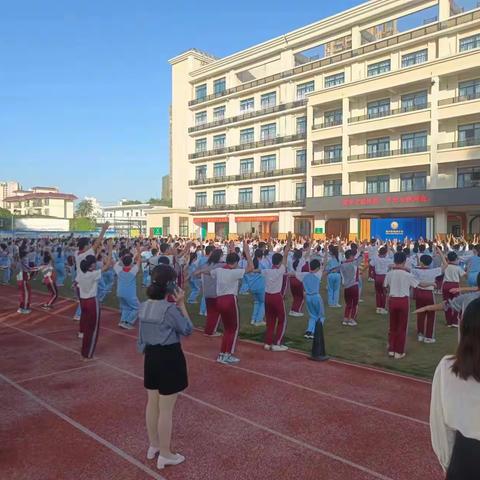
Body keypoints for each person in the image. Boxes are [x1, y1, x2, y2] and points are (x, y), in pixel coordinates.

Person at [137, 264, 193, 470]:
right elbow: (187, 329)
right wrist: (182, 304)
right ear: (170, 285)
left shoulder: (143, 305)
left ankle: (154, 446)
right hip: (169, 357)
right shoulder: (169, 309)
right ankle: (166, 453)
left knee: (152, 403)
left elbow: (141, 339)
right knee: (166, 409)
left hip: (151, 357)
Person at [429, 297, 480, 479]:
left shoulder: (447, 368)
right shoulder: (447, 368)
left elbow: (440, 427)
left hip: (464, 461)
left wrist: (449, 464)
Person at [210, 239, 254, 364]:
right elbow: (251, 267)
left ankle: (222, 354)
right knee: (233, 328)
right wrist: (247, 252)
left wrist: (232, 249)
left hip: (219, 300)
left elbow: (210, 272)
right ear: (235, 262)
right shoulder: (234, 272)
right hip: (229, 300)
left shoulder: (219, 270)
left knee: (227, 329)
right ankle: (227, 354)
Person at [76, 240, 113, 360]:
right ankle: (87, 354)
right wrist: (110, 248)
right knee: (93, 329)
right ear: (91, 266)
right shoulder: (93, 274)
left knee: (87, 327)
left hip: (83, 301)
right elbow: (108, 266)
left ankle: (84, 351)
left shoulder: (81, 273)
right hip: (92, 302)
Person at [383, 252, 419, 359]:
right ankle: (399, 351)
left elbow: (385, 286)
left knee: (393, 325)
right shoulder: (408, 274)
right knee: (402, 327)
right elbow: (416, 285)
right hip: (403, 300)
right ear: (404, 261)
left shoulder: (389, 274)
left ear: (394, 261)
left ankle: (391, 349)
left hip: (392, 299)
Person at [262, 233, 292, 348]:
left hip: (267, 296)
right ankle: (277, 343)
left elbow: (281, 256)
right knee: (282, 320)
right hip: (276, 297)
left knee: (270, 321)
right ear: (279, 262)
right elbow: (285, 255)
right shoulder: (280, 270)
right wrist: (288, 242)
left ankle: (268, 342)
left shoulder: (267, 271)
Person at [412, 253, 443, 343]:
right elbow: (445, 265)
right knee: (431, 315)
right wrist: (440, 253)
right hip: (429, 293)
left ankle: (420, 334)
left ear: (421, 262)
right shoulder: (434, 271)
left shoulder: (415, 271)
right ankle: (428, 336)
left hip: (419, 293)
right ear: (430, 263)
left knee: (420, 313)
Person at [294, 259, 325, 340]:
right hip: (316, 297)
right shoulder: (318, 274)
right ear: (318, 268)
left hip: (308, 297)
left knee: (312, 316)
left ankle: (309, 331)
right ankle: (315, 332)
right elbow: (324, 264)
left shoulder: (304, 275)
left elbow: (295, 273)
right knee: (320, 316)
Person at [114, 245, 141, 330]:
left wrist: (122, 258)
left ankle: (122, 321)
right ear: (131, 263)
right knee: (138, 308)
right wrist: (138, 250)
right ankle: (128, 322)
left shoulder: (119, 270)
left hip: (119, 293)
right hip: (129, 294)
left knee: (126, 308)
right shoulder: (133, 270)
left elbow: (117, 263)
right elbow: (139, 261)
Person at [442, 252, 466, 327]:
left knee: (447, 303)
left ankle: (448, 322)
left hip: (446, 285)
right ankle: (455, 321)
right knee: (457, 303)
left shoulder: (445, 266)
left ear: (448, 259)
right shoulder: (458, 267)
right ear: (456, 259)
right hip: (455, 285)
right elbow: (464, 275)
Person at [339, 249, 363, 327]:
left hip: (346, 287)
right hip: (354, 286)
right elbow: (360, 258)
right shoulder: (354, 263)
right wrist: (361, 252)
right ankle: (352, 319)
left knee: (348, 303)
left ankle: (346, 318)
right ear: (351, 256)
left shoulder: (342, 265)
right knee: (355, 304)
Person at [245, 249, 266, 326]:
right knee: (263, 303)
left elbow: (246, 273)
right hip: (261, 286)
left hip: (252, 287)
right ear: (261, 255)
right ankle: (259, 320)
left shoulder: (250, 264)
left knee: (256, 303)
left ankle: (253, 319)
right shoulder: (263, 264)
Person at [370, 246, 391, 314]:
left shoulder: (376, 259)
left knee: (378, 292)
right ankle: (382, 307)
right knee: (384, 293)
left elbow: (371, 264)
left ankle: (378, 307)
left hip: (377, 277)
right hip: (384, 277)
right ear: (385, 253)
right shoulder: (388, 260)